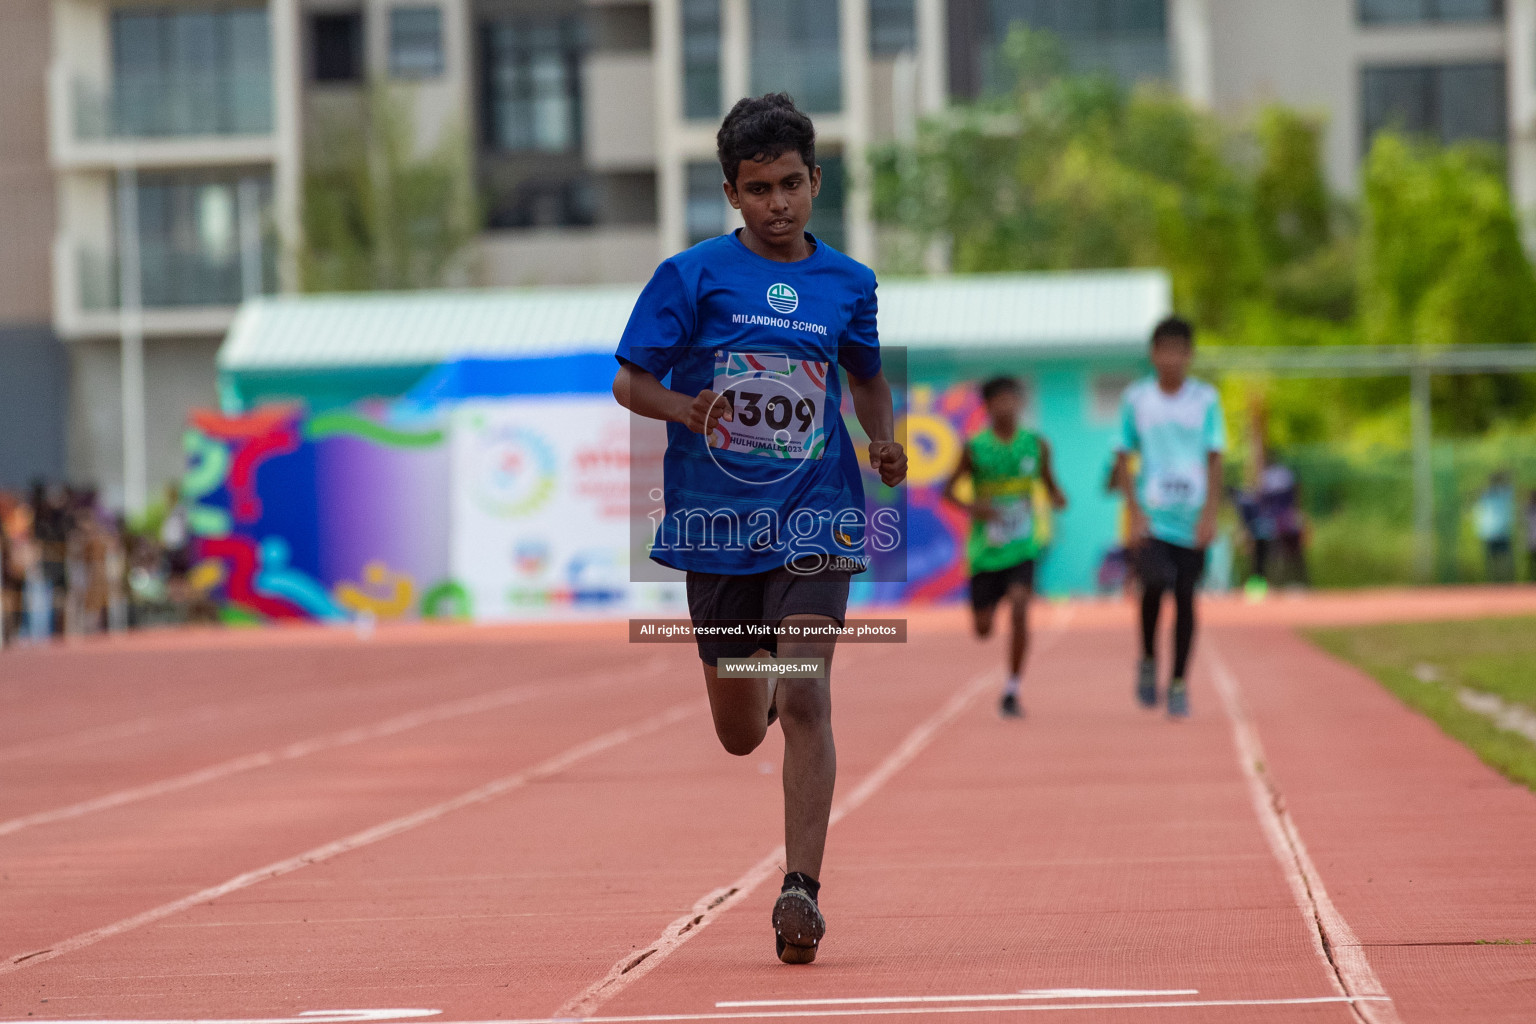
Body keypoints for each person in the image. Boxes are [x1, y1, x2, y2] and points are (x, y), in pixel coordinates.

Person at [611, 93, 906, 965]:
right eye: (758, 188)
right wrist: (684, 408)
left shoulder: (849, 286)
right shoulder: (690, 277)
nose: (778, 202)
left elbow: (867, 381)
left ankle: (800, 892)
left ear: (817, 181)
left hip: (818, 511)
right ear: (731, 194)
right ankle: (763, 679)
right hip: (717, 525)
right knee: (740, 728)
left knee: (809, 686)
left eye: (791, 184)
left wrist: (881, 443)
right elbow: (631, 382)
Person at [1112, 316, 1227, 719]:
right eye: (1165, 350)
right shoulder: (1137, 399)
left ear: (1189, 355)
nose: (1172, 358)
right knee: (1154, 583)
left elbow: (1215, 458)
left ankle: (1178, 682)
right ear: (1154, 354)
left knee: (1185, 598)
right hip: (1153, 517)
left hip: (1192, 518)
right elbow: (1122, 456)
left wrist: (1211, 515)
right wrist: (1135, 511)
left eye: (1180, 351)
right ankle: (1147, 657)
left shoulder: (1206, 400)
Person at [942, 377, 1066, 718]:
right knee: (982, 629)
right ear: (988, 406)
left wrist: (1057, 497)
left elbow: (1050, 484)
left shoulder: (1036, 445)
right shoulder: (975, 448)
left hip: (1023, 545)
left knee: (1021, 606)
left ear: (1021, 403)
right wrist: (976, 508)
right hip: (986, 549)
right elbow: (948, 491)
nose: (1007, 406)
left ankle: (1012, 687)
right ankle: (990, 604)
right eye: (999, 400)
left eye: (1012, 399)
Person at [1473, 472, 1515, 583]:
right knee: (1492, 560)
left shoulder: (1504, 493)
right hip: (1491, 532)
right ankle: (1494, 583)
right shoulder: (1487, 495)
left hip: (1502, 532)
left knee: (1505, 559)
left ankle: (1507, 582)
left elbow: (1510, 486)